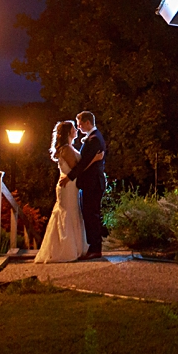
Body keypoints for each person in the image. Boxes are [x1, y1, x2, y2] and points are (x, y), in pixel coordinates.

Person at [33, 120, 97, 263]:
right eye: (74, 128)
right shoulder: (67, 149)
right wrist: (94, 160)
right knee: (68, 213)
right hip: (67, 185)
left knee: (71, 212)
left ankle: (74, 247)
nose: (76, 130)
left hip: (70, 185)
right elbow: (77, 168)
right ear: (69, 132)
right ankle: (66, 249)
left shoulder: (68, 147)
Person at [68, 110, 107, 259]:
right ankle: (93, 246)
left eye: (80, 124)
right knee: (90, 214)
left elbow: (84, 163)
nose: (78, 128)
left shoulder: (94, 139)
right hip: (91, 183)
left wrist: (70, 177)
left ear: (87, 122)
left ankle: (95, 248)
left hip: (93, 183)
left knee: (91, 215)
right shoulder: (93, 137)